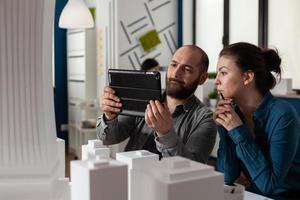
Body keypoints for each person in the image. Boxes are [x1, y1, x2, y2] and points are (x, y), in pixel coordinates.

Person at [97, 45, 217, 163]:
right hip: (131, 177)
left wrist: (165, 133)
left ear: (202, 78)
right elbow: (107, 139)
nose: (176, 73)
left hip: (169, 182)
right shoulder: (144, 99)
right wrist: (109, 117)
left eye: (187, 69)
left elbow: (192, 168)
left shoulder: (205, 119)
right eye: (174, 65)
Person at [214, 42, 300, 198]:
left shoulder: (283, 115)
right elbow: (227, 177)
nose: (216, 81)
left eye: (223, 73)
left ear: (247, 77)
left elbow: (269, 186)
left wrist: (237, 131)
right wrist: (224, 128)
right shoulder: (235, 114)